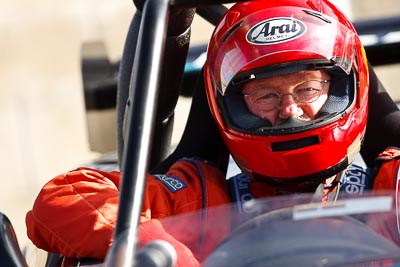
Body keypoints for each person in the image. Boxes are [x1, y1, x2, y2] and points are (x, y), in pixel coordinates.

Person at [26, 1, 400, 266]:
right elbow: (64, 197)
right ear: (233, 105)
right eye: (265, 95)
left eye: (307, 89)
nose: (288, 110)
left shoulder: (390, 187)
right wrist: (164, 254)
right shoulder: (202, 200)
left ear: (340, 90)